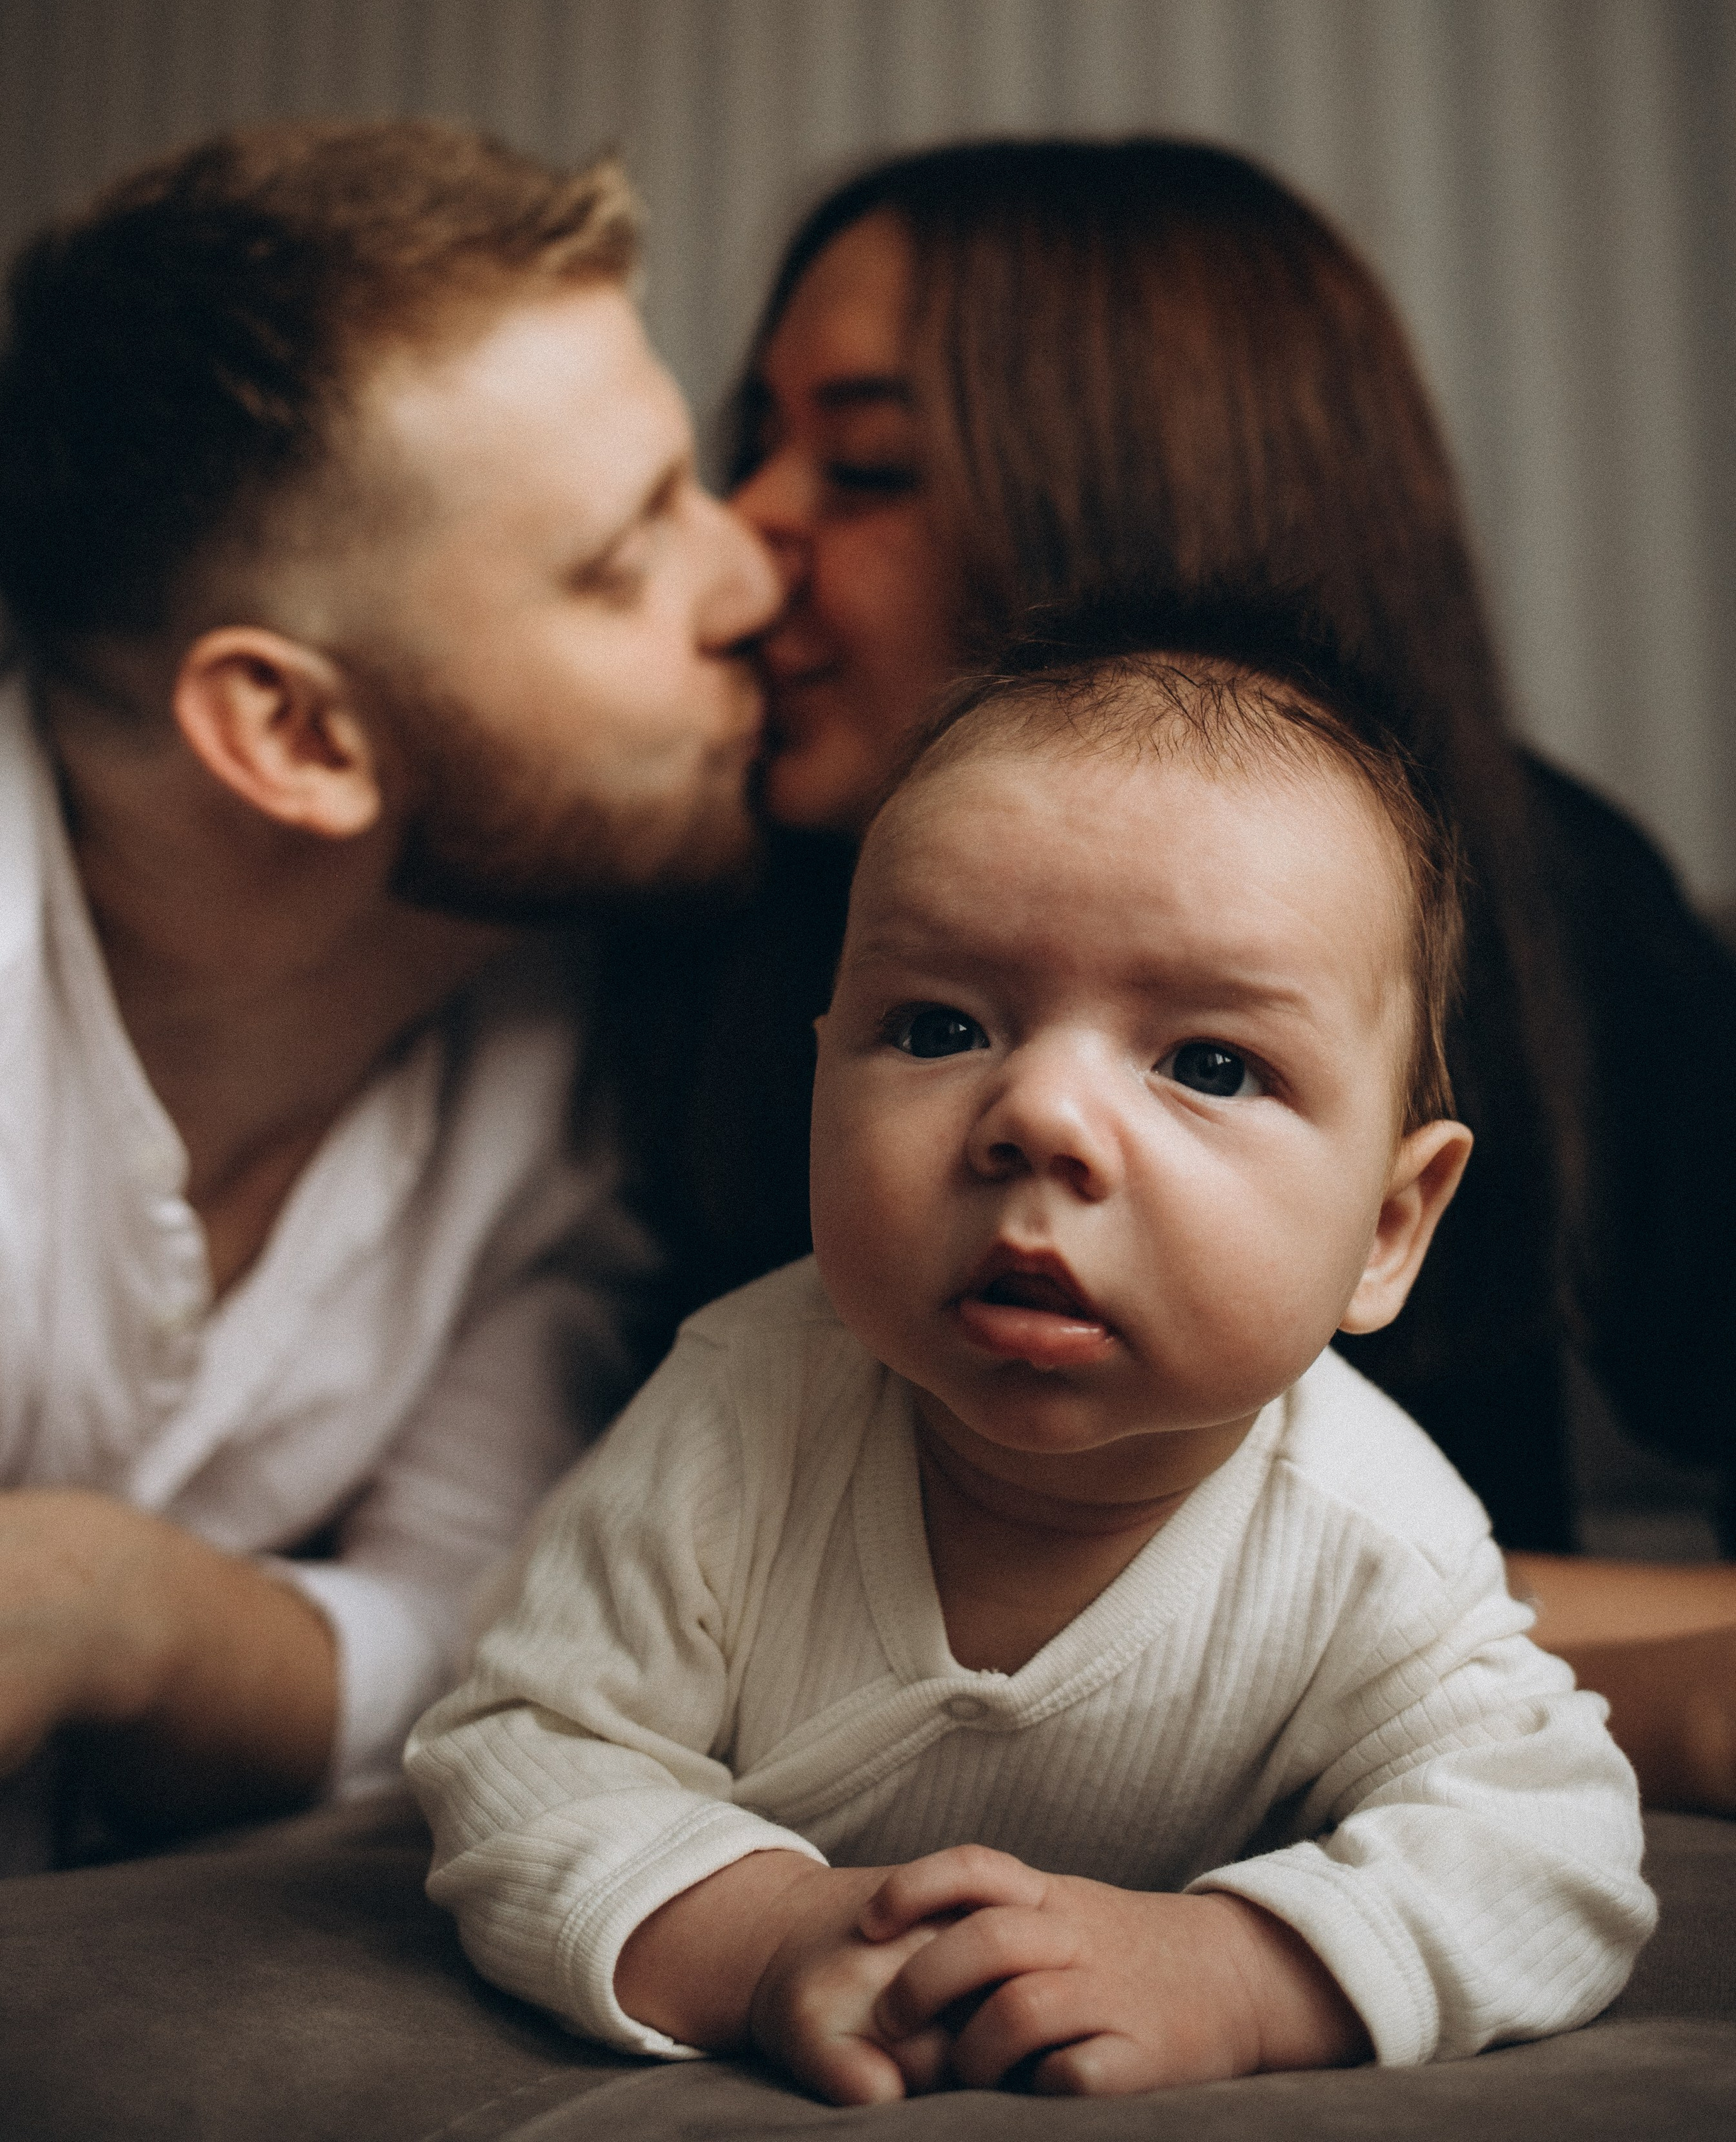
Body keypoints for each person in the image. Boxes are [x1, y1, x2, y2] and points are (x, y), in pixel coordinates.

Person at [599, 135, 1736, 1815]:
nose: (745, 529)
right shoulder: (712, 931)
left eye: (864, 468)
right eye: (933, 1027)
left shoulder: (1553, 897)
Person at [410, 605, 1652, 2103]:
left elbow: (1554, 1846)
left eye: (1208, 1064)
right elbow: (524, 1749)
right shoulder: (743, 1415)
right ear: (819, 1083)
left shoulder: (1369, 1538)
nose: (1039, 1117)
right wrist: (763, 1934)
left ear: (1388, 1228)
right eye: (938, 1028)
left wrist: (1243, 1971)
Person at [0, 119, 779, 1868]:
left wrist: (118, 1610)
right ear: (292, 733)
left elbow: (485, 1652)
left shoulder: (571, 1024)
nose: (755, 582)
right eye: (621, 559)